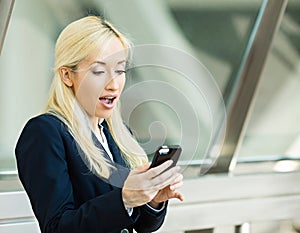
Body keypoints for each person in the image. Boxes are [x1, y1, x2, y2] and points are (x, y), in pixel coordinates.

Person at [15, 16, 183, 233]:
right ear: (67, 75)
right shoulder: (45, 132)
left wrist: (153, 201)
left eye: (120, 70)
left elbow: (140, 225)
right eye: (99, 71)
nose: (113, 84)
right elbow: (57, 228)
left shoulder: (118, 135)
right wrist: (124, 199)